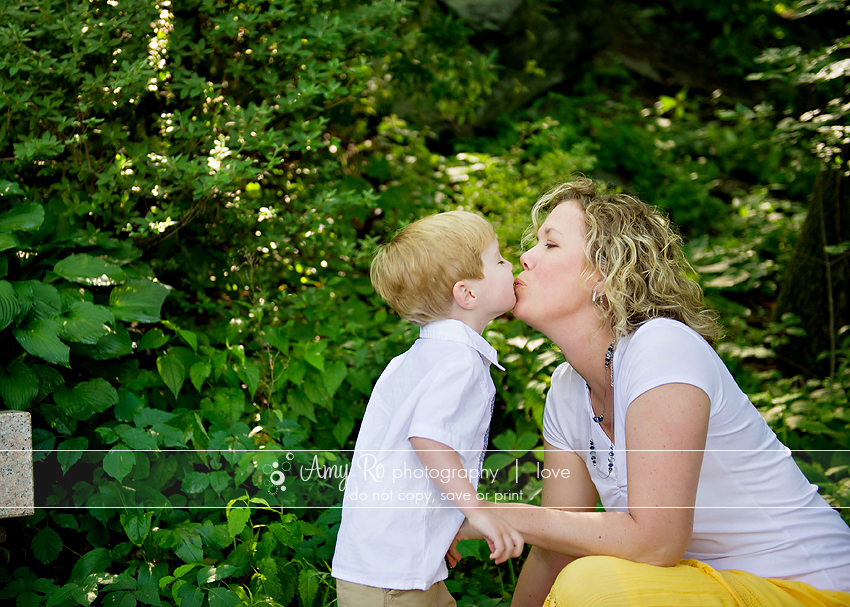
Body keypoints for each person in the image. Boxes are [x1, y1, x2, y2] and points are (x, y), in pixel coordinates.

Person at [451, 176, 850, 606]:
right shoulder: (567, 392)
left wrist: (489, 512)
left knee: (591, 587)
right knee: (584, 576)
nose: (524, 258)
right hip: (701, 589)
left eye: (550, 244)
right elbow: (555, 552)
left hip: (812, 591)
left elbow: (657, 543)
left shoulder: (662, 347)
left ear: (604, 273)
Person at [332, 210, 524, 607]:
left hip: (388, 563)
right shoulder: (460, 362)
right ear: (467, 293)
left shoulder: (412, 360)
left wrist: (441, 527)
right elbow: (428, 438)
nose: (512, 265)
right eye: (500, 260)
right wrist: (478, 511)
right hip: (394, 579)